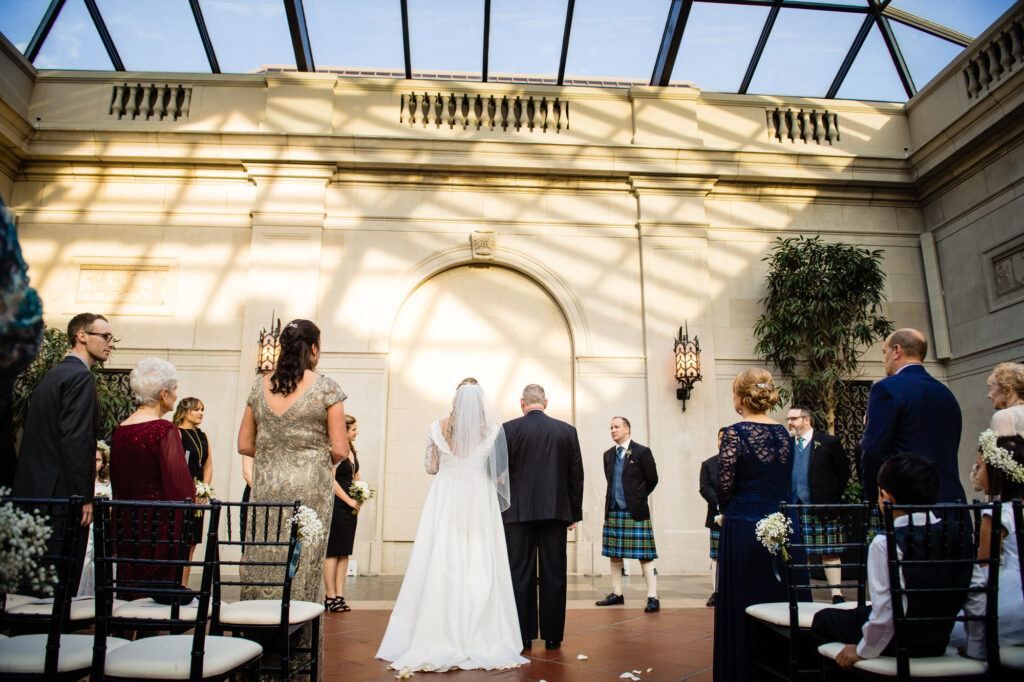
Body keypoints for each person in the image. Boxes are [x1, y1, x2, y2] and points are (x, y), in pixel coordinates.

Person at [377, 378, 527, 672]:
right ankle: (481, 633)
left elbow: (431, 467)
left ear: (455, 400)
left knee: (441, 558)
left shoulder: (438, 426)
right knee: (479, 560)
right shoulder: (493, 430)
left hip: (445, 499)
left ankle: (433, 631)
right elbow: (500, 476)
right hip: (479, 501)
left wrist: (450, 464)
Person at [811, 453, 973, 669]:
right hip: (938, 639)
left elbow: (888, 612)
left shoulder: (886, 543)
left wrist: (862, 650)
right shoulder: (959, 534)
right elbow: (977, 596)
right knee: (859, 613)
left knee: (824, 620)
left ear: (886, 497)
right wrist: (977, 648)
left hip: (898, 641)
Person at [236, 318, 347, 605]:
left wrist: (277, 453)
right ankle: (297, 641)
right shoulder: (327, 388)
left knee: (264, 553)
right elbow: (340, 450)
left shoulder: (259, 386)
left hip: (267, 488)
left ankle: (257, 630)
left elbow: (245, 444)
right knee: (303, 559)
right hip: (310, 489)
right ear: (313, 349)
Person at [14, 312, 113, 593]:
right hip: (61, 499)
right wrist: (84, 498)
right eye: (105, 336)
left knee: (32, 588)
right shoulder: (80, 378)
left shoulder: (54, 375)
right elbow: (76, 440)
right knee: (56, 590)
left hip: (35, 495)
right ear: (81, 335)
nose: (111, 344)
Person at [713, 368, 792, 682]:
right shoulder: (784, 433)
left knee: (744, 600)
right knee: (776, 594)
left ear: (740, 397)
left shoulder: (735, 433)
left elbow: (724, 485)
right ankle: (777, 667)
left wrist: (727, 507)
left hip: (745, 526)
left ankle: (743, 669)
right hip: (781, 528)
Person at [502, 383, 584, 652]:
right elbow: (576, 475)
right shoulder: (567, 431)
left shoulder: (508, 429)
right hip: (555, 512)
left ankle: (523, 636)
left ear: (522, 403)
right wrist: (574, 512)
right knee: (554, 573)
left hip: (517, 514)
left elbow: (496, 473)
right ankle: (552, 636)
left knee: (520, 573)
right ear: (545, 402)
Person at [109, 358, 196, 602]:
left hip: (127, 525)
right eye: (175, 389)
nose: (177, 395)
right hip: (159, 527)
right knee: (155, 601)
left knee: (130, 597)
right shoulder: (164, 430)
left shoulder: (121, 428)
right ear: (163, 393)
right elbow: (179, 484)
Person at [860, 328, 965, 503]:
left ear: (897, 351)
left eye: (885, 352)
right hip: (951, 501)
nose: (883, 359)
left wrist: (873, 498)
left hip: (909, 503)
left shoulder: (886, 389)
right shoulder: (945, 392)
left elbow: (874, 452)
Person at [959, 433, 1024, 659]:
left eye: (980, 466)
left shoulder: (997, 513)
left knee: (953, 627)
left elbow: (984, 567)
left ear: (998, 472)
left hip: (1008, 603)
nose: (977, 472)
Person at [595, 416, 660, 612]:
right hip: (614, 511)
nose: (613, 430)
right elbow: (610, 479)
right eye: (611, 427)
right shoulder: (608, 455)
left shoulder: (642, 452)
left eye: (616, 427)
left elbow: (652, 479)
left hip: (635, 511)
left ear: (627, 429)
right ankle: (617, 593)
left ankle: (652, 596)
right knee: (614, 555)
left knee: (645, 555)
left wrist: (637, 498)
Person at [786, 403, 849, 604]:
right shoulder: (787, 445)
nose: (790, 423)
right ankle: (803, 594)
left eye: (794, 419)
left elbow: (843, 473)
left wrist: (829, 497)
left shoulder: (828, 442)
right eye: (788, 419)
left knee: (829, 552)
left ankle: (836, 594)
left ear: (806, 420)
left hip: (822, 506)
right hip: (795, 507)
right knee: (799, 552)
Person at [324, 414, 361, 613]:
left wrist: (361, 492)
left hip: (351, 507)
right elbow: (330, 480)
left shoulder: (352, 451)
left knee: (345, 551)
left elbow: (356, 475)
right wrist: (348, 500)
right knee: (333, 551)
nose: (356, 433)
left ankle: (340, 594)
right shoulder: (335, 451)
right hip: (337, 504)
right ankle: (329, 596)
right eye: (353, 429)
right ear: (344, 431)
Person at [173, 396, 211, 587]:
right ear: (185, 411)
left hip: (198, 493)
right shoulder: (176, 434)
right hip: (182, 493)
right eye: (196, 409)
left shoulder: (202, 436)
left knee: (192, 542)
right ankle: (174, 583)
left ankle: (184, 585)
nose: (200, 413)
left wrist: (204, 489)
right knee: (180, 540)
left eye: (202, 409)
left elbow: (208, 465)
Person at [76, 439, 112, 597]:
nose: (94, 464)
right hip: (85, 526)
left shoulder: (106, 485)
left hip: (101, 528)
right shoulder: (79, 485)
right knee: (83, 561)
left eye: (98, 460)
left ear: (103, 463)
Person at [698, 430, 723, 608]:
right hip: (717, 515)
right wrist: (720, 503)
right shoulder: (708, 464)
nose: (723, 441)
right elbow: (704, 487)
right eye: (721, 438)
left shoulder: (743, 463)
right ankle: (717, 591)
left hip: (740, 514)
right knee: (716, 556)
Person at [987, 362, 1024, 437]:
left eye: (991, 388)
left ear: (1008, 390)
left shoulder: (1005, 416)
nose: (989, 395)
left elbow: (1005, 448)